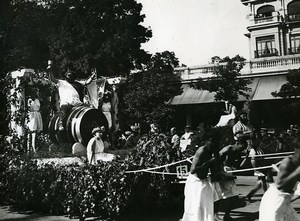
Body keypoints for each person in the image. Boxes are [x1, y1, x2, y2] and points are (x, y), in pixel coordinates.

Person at [259, 132, 300, 221]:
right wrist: (296, 173)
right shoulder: (288, 162)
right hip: (275, 200)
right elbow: (280, 184)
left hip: (286, 201)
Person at [181, 128, 220, 221]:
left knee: (207, 205)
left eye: (215, 142)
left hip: (204, 181)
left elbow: (214, 170)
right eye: (211, 141)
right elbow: (192, 170)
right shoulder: (201, 151)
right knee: (196, 206)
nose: (213, 144)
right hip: (195, 182)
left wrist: (217, 175)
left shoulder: (213, 151)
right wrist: (208, 162)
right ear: (207, 140)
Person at [47, 62, 96, 131]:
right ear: (66, 76)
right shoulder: (61, 82)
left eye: (71, 75)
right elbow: (52, 78)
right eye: (68, 75)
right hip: (67, 103)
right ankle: (60, 124)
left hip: (77, 103)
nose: (69, 77)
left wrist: (92, 76)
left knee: (89, 108)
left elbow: (87, 82)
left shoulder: (77, 83)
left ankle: (92, 124)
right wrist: (50, 70)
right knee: (64, 110)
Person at [26, 89, 43, 154]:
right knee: (31, 131)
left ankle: (34, 148)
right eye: (32, 93)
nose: (34, 95)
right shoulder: (29, 100)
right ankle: (29, 149)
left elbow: (39, 107)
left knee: (35, 132)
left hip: (37, 115)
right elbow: (29, 108)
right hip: (31, 115)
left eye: (34, 94)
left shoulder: (37, 100)